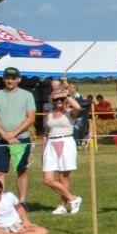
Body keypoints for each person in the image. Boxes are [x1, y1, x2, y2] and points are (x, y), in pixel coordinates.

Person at [0, 66, 36, 207]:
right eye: (7, 78)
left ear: (19, 79)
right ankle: (0, 202)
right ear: (3, 79)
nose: (10, 80)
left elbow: (31, 118)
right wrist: (5, 135)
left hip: (21, 138)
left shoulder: (27, 95)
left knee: (22, 170)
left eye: (13, 78)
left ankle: (22, 201)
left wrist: (13, 133)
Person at [40, 84, 82, 215]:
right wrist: (43, 151)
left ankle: (63, 205)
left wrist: (66, 95)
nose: (58, 102)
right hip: (51, 144)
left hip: (66, 142)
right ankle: (73, 198)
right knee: (47, 178)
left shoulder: (71, 113)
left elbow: (78, 107)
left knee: (63, 178)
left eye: (61, 99)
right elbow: (46, 134)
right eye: (55, 100)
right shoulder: (49, 115)